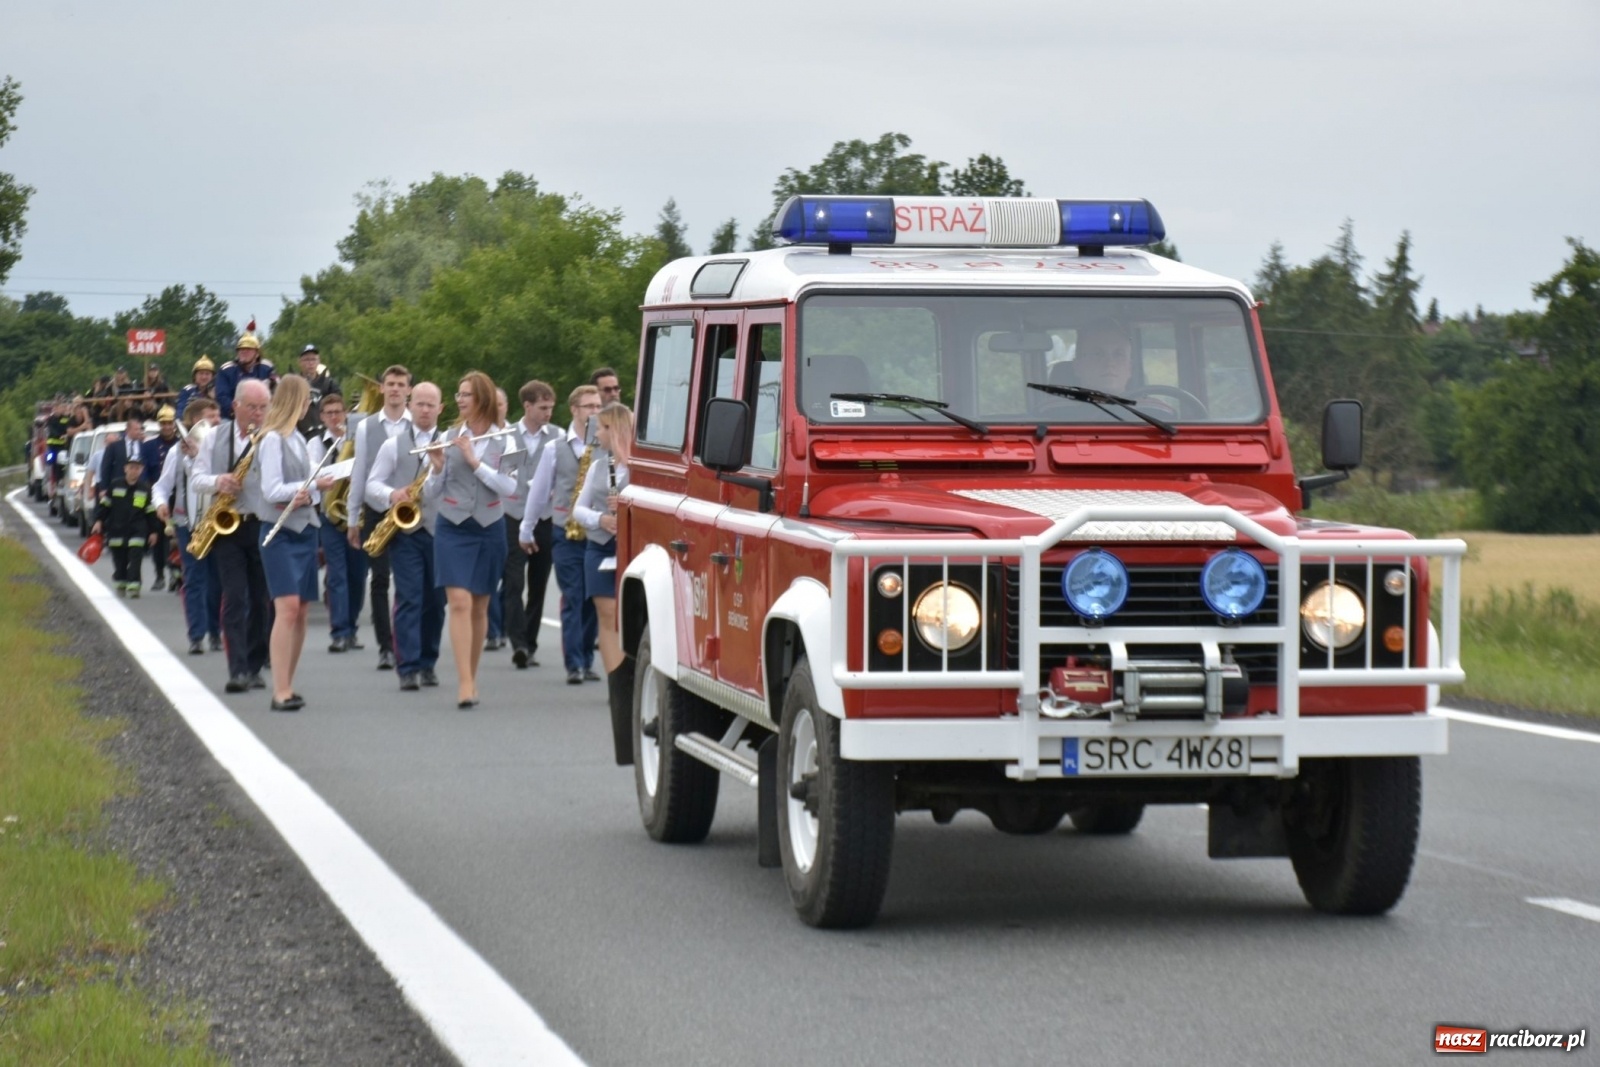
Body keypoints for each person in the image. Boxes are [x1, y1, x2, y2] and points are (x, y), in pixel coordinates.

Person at [432, 371, 517, 708]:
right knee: (460, 601)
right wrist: (437, 467)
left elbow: (510, 487)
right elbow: (432, 492)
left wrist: (475, 462)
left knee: (481, 605)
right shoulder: (447, 435)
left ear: (480, 398)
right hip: (452, 525)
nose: (459, 400)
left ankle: (472, 674)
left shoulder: (507, 440)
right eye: (458, 394)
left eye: (465, 394)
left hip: (489, 526)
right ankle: (464, 683)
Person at [191, 378, 273, 694]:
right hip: (227, 525)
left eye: (263, 407)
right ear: (235, 406)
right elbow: (197, 478)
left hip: (261, 522)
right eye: (252, 407)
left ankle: (254, 665)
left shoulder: (272, 437)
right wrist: (218, 481)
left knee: (260, 598)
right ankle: (237, 669)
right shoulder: (214, 437)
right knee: (235, 597)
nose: (257, 413)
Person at [366, 383, 446, 693]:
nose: (425, 410)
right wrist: (393, 493)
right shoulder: (393, 445)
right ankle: (408, 667)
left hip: (440, 530)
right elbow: (373, 484)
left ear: (440, 408)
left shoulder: (450, 443)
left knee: (436, 601)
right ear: (411, 406)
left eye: (431, 405)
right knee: (410, 597)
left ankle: (428, 663)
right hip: (407, 531)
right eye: (421, 404)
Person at [521, 384, 602, 685]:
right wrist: (526, 528)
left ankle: (587, 658)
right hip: (564, 531)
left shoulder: (604, 444)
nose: (594, 411)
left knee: (593, 598)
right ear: (575, 410)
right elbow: (539, 491)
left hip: (597, 532)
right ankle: (574, 663)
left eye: (597, 406)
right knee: (573, 595)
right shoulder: (555, 447)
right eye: (588, 406)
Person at [254, 375, 325, 712]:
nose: (308, 405)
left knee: (302, 611)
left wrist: (320, 482)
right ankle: (279, 689)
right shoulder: (271, 439)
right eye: (305, 399)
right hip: (279, 530)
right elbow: (271, 489)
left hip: (304, 528)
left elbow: (306, 482)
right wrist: (302, 490)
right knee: (287, 607)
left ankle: (289, 682)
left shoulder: (298, 438)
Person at [347, 364, 413, 670]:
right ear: (382, 389)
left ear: (409, 390)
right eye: (391, 383)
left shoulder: (419, 424)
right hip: (377, 510)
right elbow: (359, 472)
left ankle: (406, 642)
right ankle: (386, 647)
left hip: (413, 513)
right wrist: (352, 518)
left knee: (410, 581)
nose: (396, 388)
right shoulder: (366, 427)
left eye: (401, 384)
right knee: (380, 579)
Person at [573, 402, 633, 713]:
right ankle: (616, 684)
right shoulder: (598, 466)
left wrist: (624, 508)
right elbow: (578, 509)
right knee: (606, 614)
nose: (597, 434)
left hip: (631, 548)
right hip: (600, 546)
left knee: (628, 617)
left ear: (616, 430)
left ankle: (633, 677)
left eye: (602, 428)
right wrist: (601, 519)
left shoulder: (640, 468)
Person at [155, 398, 222, 654]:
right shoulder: (176, 452)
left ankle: (216, 631)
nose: (217, 420)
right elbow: (162, 486)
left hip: (217, 522)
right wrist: (161, 503)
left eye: (217, 415)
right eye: (211, 416)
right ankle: (196, 634)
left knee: (219, 580)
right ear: (195, 421)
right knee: (194, 578)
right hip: (188, 523)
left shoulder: (223, 448)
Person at [501, 380, 560, 669]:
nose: (548, 413)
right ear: (527, 406)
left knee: (539, 582)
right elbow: (505, 475)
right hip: (513, 514)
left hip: (545, 517)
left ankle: (531, 643)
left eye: (551, 407)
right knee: (513, 581)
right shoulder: (510, 436)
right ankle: (518, 643)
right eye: (543, 407)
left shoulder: (557, 437)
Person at [308, 392, 367, 653]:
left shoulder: (358, 440)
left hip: (356, 516)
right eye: (329, 413)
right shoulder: (316, 444)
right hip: (330, 515)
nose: (334, 417)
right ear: (322, 417)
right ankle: (339, 632)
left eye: (338, 412)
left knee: (357, 576)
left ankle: (351, 627)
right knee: (337, 575)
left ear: (345, 414)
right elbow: (314, 473)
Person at [93, 454, 161, 597]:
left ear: (141, 470)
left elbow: (150, 511)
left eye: (137, 468)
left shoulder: (145, 489)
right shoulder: (115, 485)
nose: (134, 471)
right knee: (120, 560)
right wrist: (99, 521)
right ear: (125, 469)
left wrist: (154, 531)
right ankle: (121, 583)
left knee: (136, 557)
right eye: (131, 467)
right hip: (117, 530)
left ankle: (134, 587)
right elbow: (105, 505)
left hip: (137, 530)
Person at [485, 386, 513, 652]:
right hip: (484, 516)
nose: (496, 408)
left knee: (512, 579)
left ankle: (507, 628)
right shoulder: (472, 437)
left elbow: (509, 483)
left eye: (500, 404)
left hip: (514, 513)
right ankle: (493, 631)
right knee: (489, 579)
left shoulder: (512, 438)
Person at [215, 323, 277, 421]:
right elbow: (222, 396)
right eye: (241, 350)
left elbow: (277, 391)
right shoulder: (226, 370)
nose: (243, 352)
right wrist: (238, 411)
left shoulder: (266, 368)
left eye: (248, 350)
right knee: (223, 428)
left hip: (261, 416)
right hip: (232, 416)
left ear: (257, 353)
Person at [1070, 319, 1137, 395]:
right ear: (1078, 367)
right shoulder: (1055, 406)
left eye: (1119, 354)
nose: (1110, 363)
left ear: (1130, 368)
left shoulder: (1149, 406)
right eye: (1097, 354)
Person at [295, 344, 342, 437]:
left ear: (319, 361)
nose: (310, 363)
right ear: (300, 362)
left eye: (313, 359)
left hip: (324, 433)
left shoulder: (329, 384)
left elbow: (339, 406)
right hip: (299, 433)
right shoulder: (294, 384)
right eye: (307, 360)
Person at [175, 356, 216, 420]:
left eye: (207, 374)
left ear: (212, 377)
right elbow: (180, 411)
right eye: (201, 374)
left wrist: (214, 399)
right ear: (194, 376)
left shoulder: (218, 392)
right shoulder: (188, 390)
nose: (204, 377)